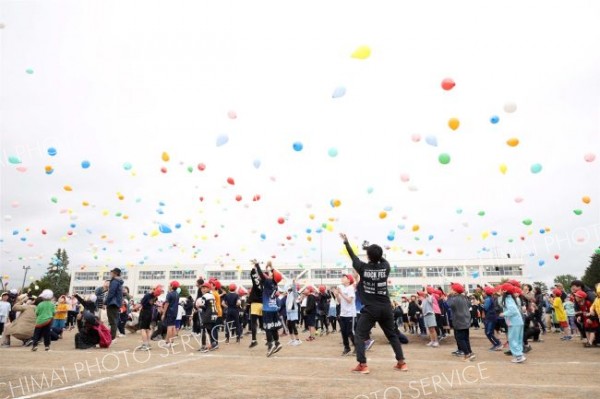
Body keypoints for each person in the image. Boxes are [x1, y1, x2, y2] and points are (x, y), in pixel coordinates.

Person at [341, 233, 407, 374]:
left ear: (368, 256)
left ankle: (363, 365)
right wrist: (373, 252)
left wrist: (347, 242)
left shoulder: (363, 268)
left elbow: (353, 257)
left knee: (359, 335)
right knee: (392, 335)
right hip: (386, 307)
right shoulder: (386, 267)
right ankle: (401, 362)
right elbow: (380, 257)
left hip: (371, 309)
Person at [255, 261, 283, 357]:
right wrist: (270, 267)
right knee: (274, 327)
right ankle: (277, 343)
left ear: (272, 276)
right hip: (274, 309)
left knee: (268, 328)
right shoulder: (275, 284)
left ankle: (270, 345)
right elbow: (272, 274)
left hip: (267, 309)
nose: (269, 273)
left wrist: (257, 265)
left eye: (271, 273)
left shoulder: (268, 282)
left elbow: (261, 275)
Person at [447, 283, 475, 361]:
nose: (450, 290)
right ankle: (470, 352)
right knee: (465, 338)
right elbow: (469, 305)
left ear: (455, 291)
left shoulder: (454, 298)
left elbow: (448, 304)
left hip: (459, 320)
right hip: (466, 320)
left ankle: (467, 354)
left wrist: (449, 296)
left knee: (460, 338)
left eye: (451, 289)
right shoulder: (464, 297)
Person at [499, 284, 526, 363]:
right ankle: (519, 355)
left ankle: (519, 356)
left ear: (504, 291)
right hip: (518, 321)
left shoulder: (508, 299)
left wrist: (503, 314)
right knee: (518, 339)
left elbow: (512, 311)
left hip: (514, 321)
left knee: (513, 339)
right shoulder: (512, 298)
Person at [333, 274, 356, 356]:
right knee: (343, 332)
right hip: (343, 314)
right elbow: (340, 302)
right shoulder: (342, 288)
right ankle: (347, 348)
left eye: (344, 277)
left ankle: (357, 347)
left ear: (349, 280)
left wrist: (341, 293)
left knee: (350, 332)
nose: (342, 279)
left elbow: (349, 300)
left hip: (350, 314)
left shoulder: (350, 288)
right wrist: (336, 295)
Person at [137, 285, 163, 351]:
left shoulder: (147, 295)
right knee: (147, 329)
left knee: (143, 329)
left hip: (145, 312)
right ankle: (148, 344)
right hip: (150, 313)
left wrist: (134, 308)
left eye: (153, 288)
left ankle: (145, 345)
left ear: (154, 290)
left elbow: (141, 304)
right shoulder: (155, 297)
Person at [248, 261, 264, 348]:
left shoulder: (258, 283)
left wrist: (254, 267)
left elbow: (253, 276)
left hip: (255, 304)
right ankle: (270, 340)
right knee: (263, 323)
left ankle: (254, 340)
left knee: (253, 323)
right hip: (262, 304)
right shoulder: (265, 284)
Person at [198, 282, 218, 352]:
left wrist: (198, 306)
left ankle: (204, 346)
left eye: (204, 288)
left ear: (209, 288)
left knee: (203, 329)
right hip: (214, 314)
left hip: (208, 314)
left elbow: (204, 306)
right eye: (202, 288)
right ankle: (213, 344)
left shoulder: (204, 296)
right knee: (210, 330)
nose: (203, 289)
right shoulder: (212, 295)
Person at [104, 268, 124, 340]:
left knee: (112, 321)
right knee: (114, 320)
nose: (111, 274)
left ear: (115, 273)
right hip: (116, 303)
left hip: (112, 303)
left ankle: (111, 337)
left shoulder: (115, 281)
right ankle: (112, 336)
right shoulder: (119, 281)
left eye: (111, 273)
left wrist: (106, 301)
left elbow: (111, 292)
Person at [482, 286, 502, 351]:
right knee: (488, 332)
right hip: (490, 317)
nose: (482, 293)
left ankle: (498, 344)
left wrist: (481, 304)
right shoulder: (489, 298)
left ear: (486, 292)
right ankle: (496, 344)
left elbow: (485, 308)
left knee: (489, 332)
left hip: (490, 318)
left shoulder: (488, 299)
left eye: (483, 291)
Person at [163, 281, 180, 346]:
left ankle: (167, 342)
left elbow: (166, 304)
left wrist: (164, 313)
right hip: (175, 312)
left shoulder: (169, 294)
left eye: (170, 285)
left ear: (172, 286)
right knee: (173, 326)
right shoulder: (177, 294)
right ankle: (172, 342)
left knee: (169, 327)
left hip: (170, 312)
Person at [285, 280, 301, 345]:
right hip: (288, 312)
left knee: (293, 326)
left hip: (293, 311)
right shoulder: (288, 293)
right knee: (289, 326)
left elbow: (294, 289)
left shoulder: (295, 293)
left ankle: (298, 340)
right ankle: (292, 339)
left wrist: (293, 283)